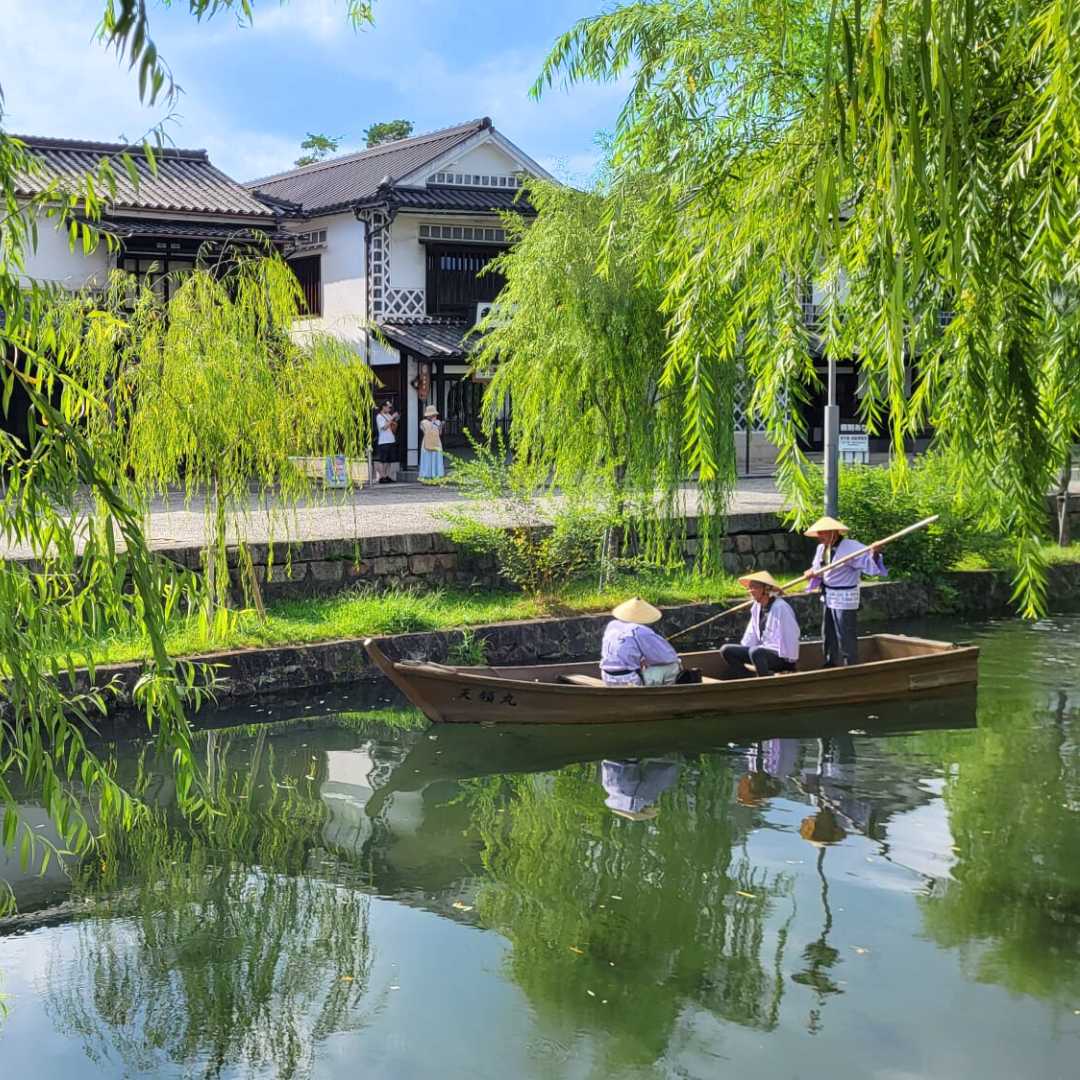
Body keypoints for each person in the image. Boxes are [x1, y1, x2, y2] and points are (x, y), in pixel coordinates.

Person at [804, 516, 886, 667]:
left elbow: (869, 563)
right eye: (819, 533)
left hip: (845, 596)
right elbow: (818, 568)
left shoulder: (852, 547)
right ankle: (830, 662)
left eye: (823, 533)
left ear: (833, 532)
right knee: (827, 632)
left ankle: (851, 665)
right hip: (828, 594)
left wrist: (874, 552)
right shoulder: (821, 548)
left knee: (845, 633)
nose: (820, 537)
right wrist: (811, 572)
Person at [720, 570, 801, 677]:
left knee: (756, 652)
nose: (750, 591)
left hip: (781, 658)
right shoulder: (756, 608)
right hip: (761, 653)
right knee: (726, 650)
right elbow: (750, 636)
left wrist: (790, 662)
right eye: (749, 588)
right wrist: (745, 650)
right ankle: (747, 678)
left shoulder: (781, 608)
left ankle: (764, 681)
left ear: (766, 589)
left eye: (754, 587)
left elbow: (791, 637)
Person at [599, 597, 682, 686]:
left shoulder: (612, 625)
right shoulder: (640, 630)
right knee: (674, 665)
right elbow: (668, 657)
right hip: (628, 680)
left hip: (606, 677)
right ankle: (665, 695)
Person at [373, 400, 399, 484]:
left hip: (391, 439)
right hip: (383, 441)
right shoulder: (379, 416)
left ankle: (387, 476)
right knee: (383, 460)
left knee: (389, 460)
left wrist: (395, 418)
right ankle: (382, 476)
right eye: (389, 407)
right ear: (383, 407)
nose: (390, 409)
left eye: (390, 407)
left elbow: (392, 424)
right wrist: (392, 418)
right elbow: (383, 427)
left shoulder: (388, 415)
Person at [418, 404, 445, 481]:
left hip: (436, 441)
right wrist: (432, 423)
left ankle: (436, 476)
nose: (434, 416)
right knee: (427, 459)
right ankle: (426, 476)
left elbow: (439, 433)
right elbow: (427, 431)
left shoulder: (438, 422)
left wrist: (440, 427)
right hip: (427, 442)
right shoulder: (423, 422)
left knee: (436, 458)